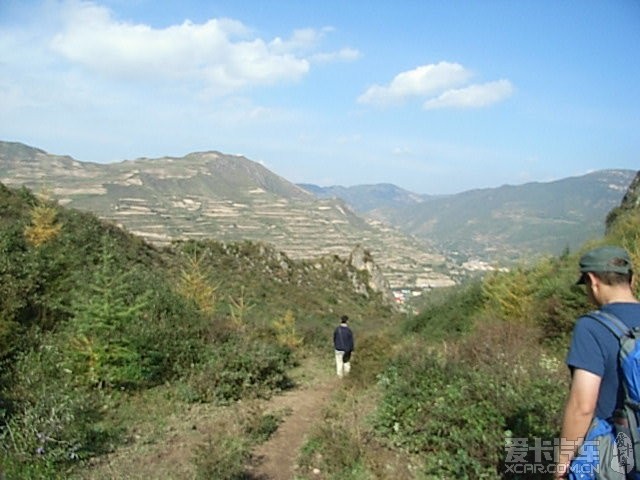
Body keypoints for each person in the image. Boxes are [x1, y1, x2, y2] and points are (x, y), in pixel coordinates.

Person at [555, 245, 640, 478]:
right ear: (631, 280)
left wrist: (562, 464)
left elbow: (582, 406)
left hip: (613, 454)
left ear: (593, 281)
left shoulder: (592, 327)